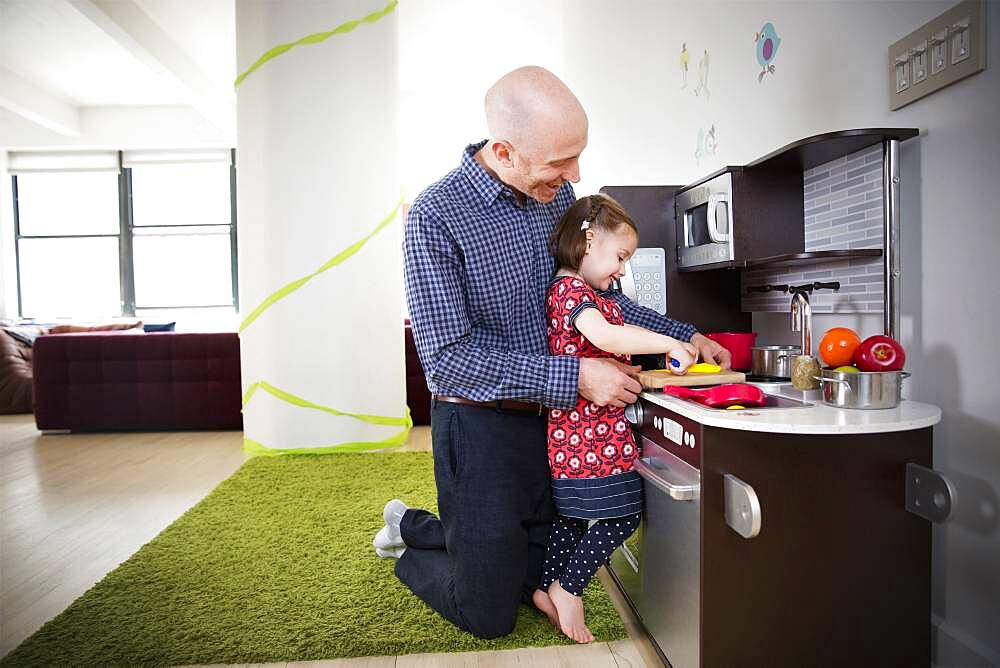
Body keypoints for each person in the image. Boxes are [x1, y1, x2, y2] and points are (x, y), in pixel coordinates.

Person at [374, 65, 731, 640]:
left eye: (578, 157)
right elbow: (446, 361)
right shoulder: (435, 216)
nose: (576, 175)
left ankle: (454, 530)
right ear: (504, 151)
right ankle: (405, 537)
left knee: (530, 577)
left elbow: (596, 302)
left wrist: (685, 333)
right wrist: (576, 377)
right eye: (562, 161)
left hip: (553, 428)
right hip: (477, 424)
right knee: (488, 612)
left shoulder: (557, 197)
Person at [535, 193, 696, 643]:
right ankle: (569, 589)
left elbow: (613, 330)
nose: (622, 270)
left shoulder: (585, 292)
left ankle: (547, 589)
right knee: (623, 517)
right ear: (588, 242)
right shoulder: (571, 292)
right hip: (591, 435)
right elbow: (605, 334)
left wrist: (674, 339)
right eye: (620, 257)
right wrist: (667, 345)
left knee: (570, 518)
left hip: (574, 435)